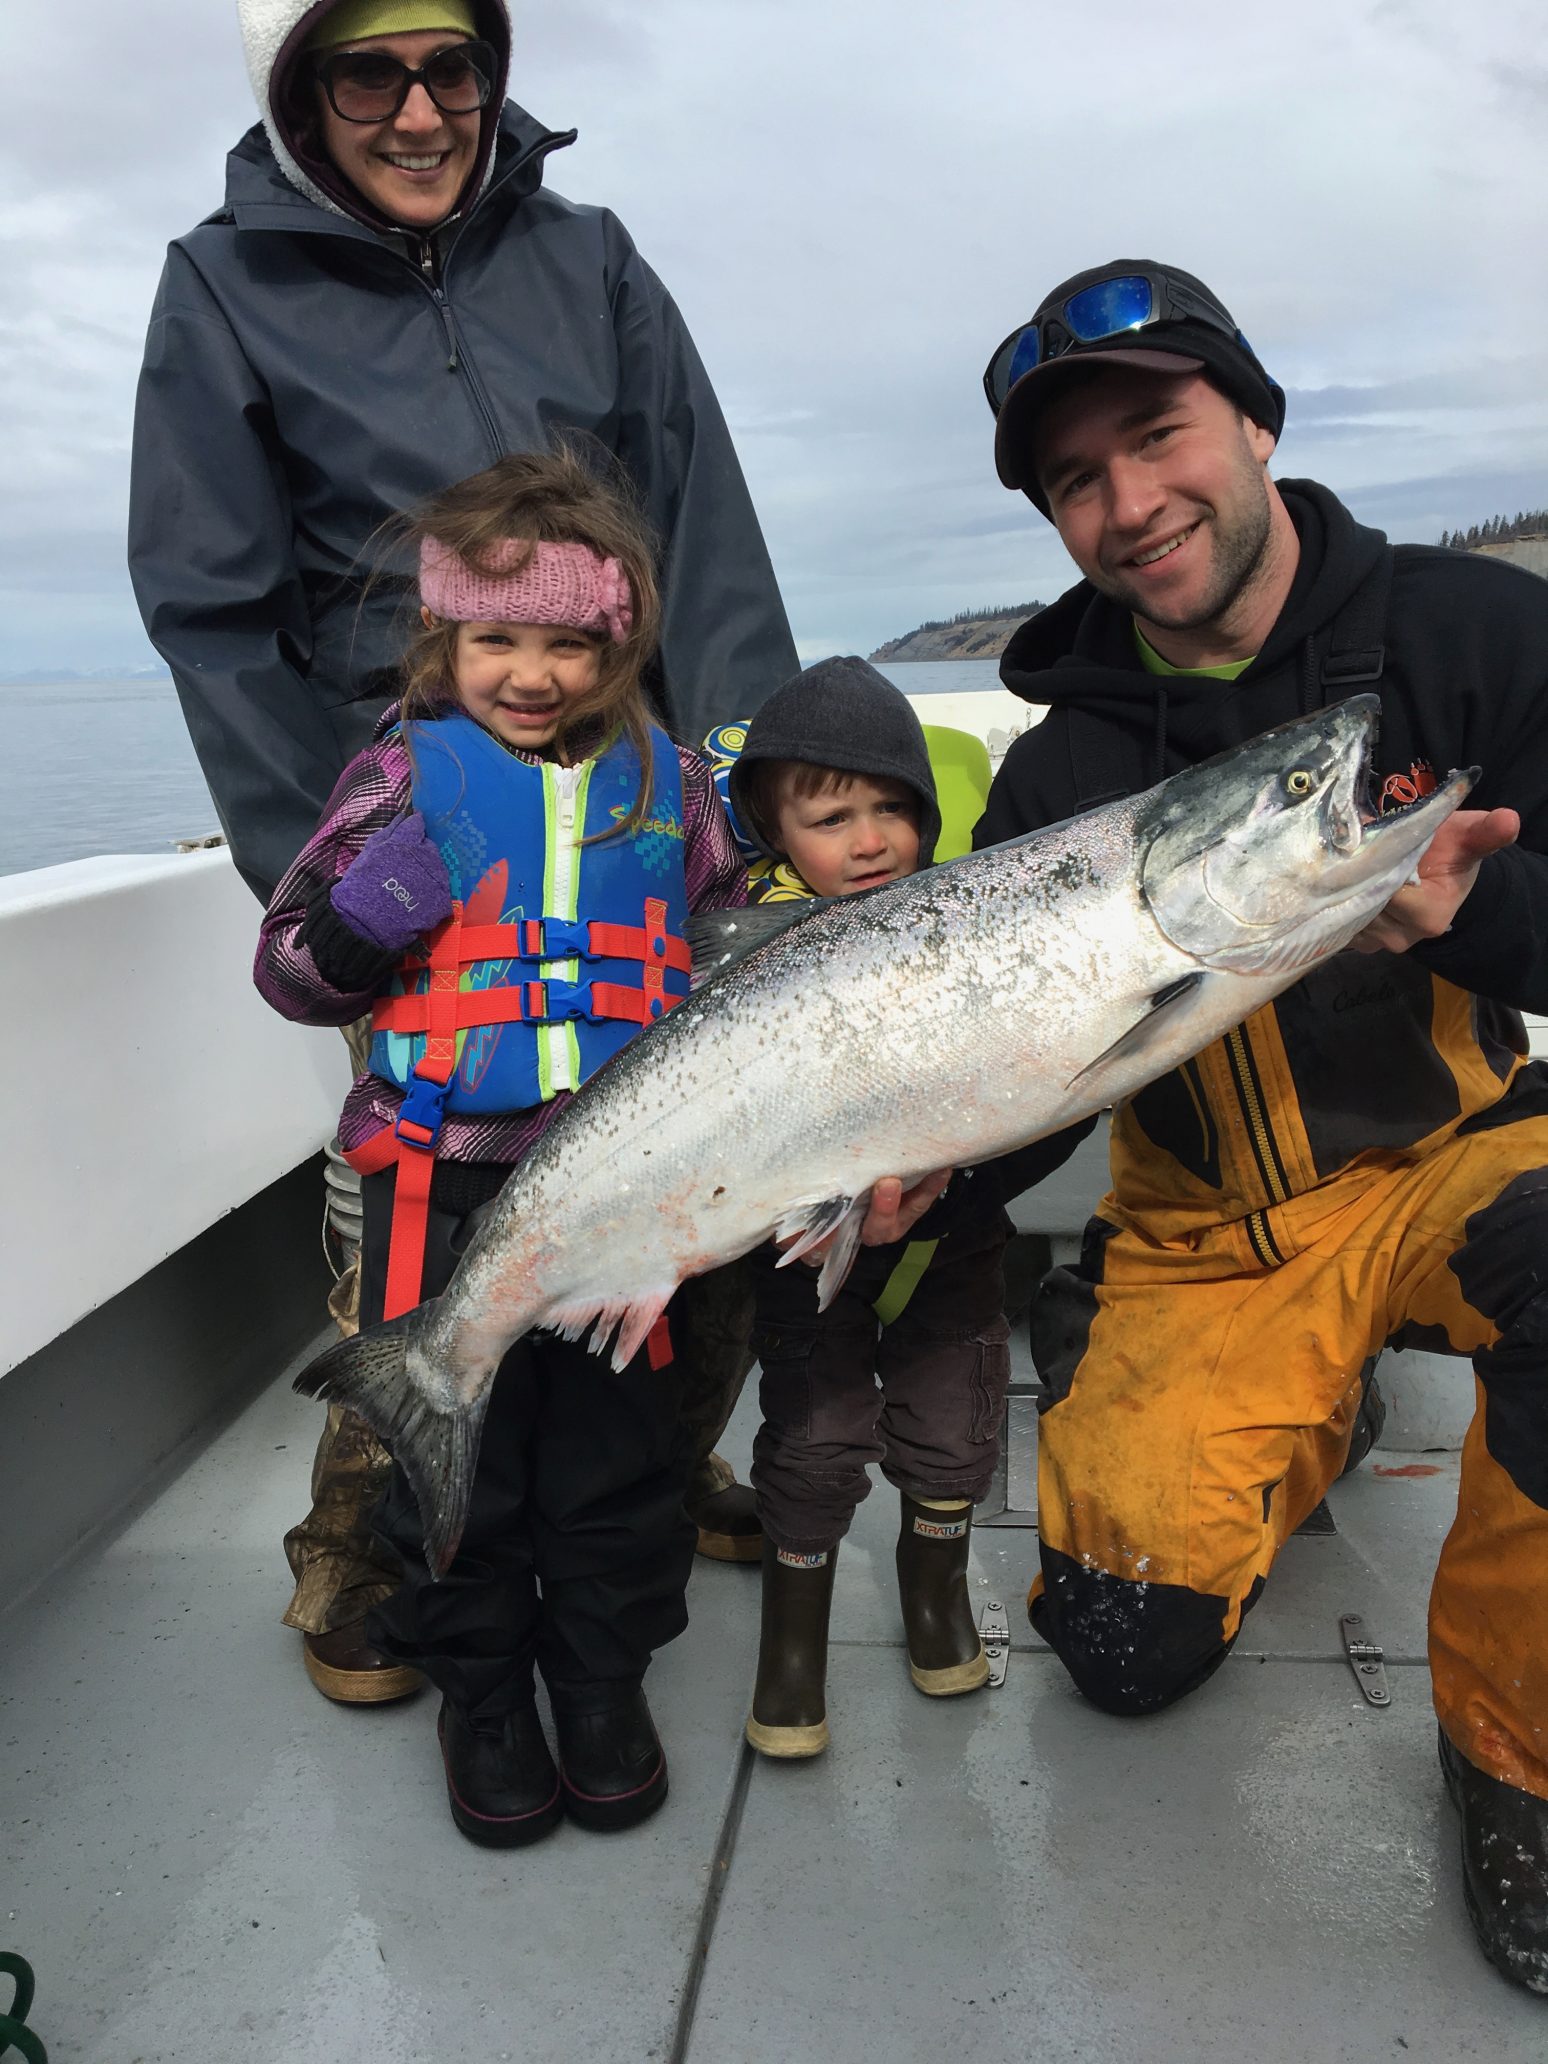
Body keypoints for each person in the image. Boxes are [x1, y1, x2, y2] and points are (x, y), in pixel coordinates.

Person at [128, 0, 797, 1695]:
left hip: (635, 811)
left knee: (695, 1170)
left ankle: (648, 1463)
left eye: (453, 69)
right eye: (370, 73)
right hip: (428, 835)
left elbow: (700, 524)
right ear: (304, 92)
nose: (419, 112)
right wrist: (342, 878)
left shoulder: (594, 256)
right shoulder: (222, 285)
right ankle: (361, 1554)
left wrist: (746, 794)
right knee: (423, 1219)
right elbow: (215, 606)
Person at [974, 259, 1548, 1994]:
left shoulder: (1478, 636)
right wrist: (904, 1163)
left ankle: (1514, 1763)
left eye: (1154, 435)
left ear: (1251, 418)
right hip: (1206, 1234)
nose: (1127, 503)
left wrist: (1479, 922)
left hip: (1462, 1158)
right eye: (1076, 478)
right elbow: (1015, 1092)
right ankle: (1275, 1386)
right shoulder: (1053, 780)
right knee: (1115, 1646)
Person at [254, 448, 746, 1842]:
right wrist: (366, 914)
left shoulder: (677, 787)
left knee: (613, 1462)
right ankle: (482, 1697)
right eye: (496, 640)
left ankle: (597, 1684)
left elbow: (732, 946)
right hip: (442, 1188)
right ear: (445, 638)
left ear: (618, 643)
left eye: (569, 644)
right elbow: (292, 973)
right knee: (449, 1463)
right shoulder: (400, 781)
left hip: (626, 1190)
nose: (531, 674)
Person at [706, 659, 1011, 1758]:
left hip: (957, 1243)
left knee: (955, 1424)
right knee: (817, 1437)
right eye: (831, 816)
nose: (870, 839)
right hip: (807, 1258)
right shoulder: (745, 949)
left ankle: (934, 1597)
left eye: (893, 807)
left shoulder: (968, 924)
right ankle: (793, 1650)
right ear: (773, 830)